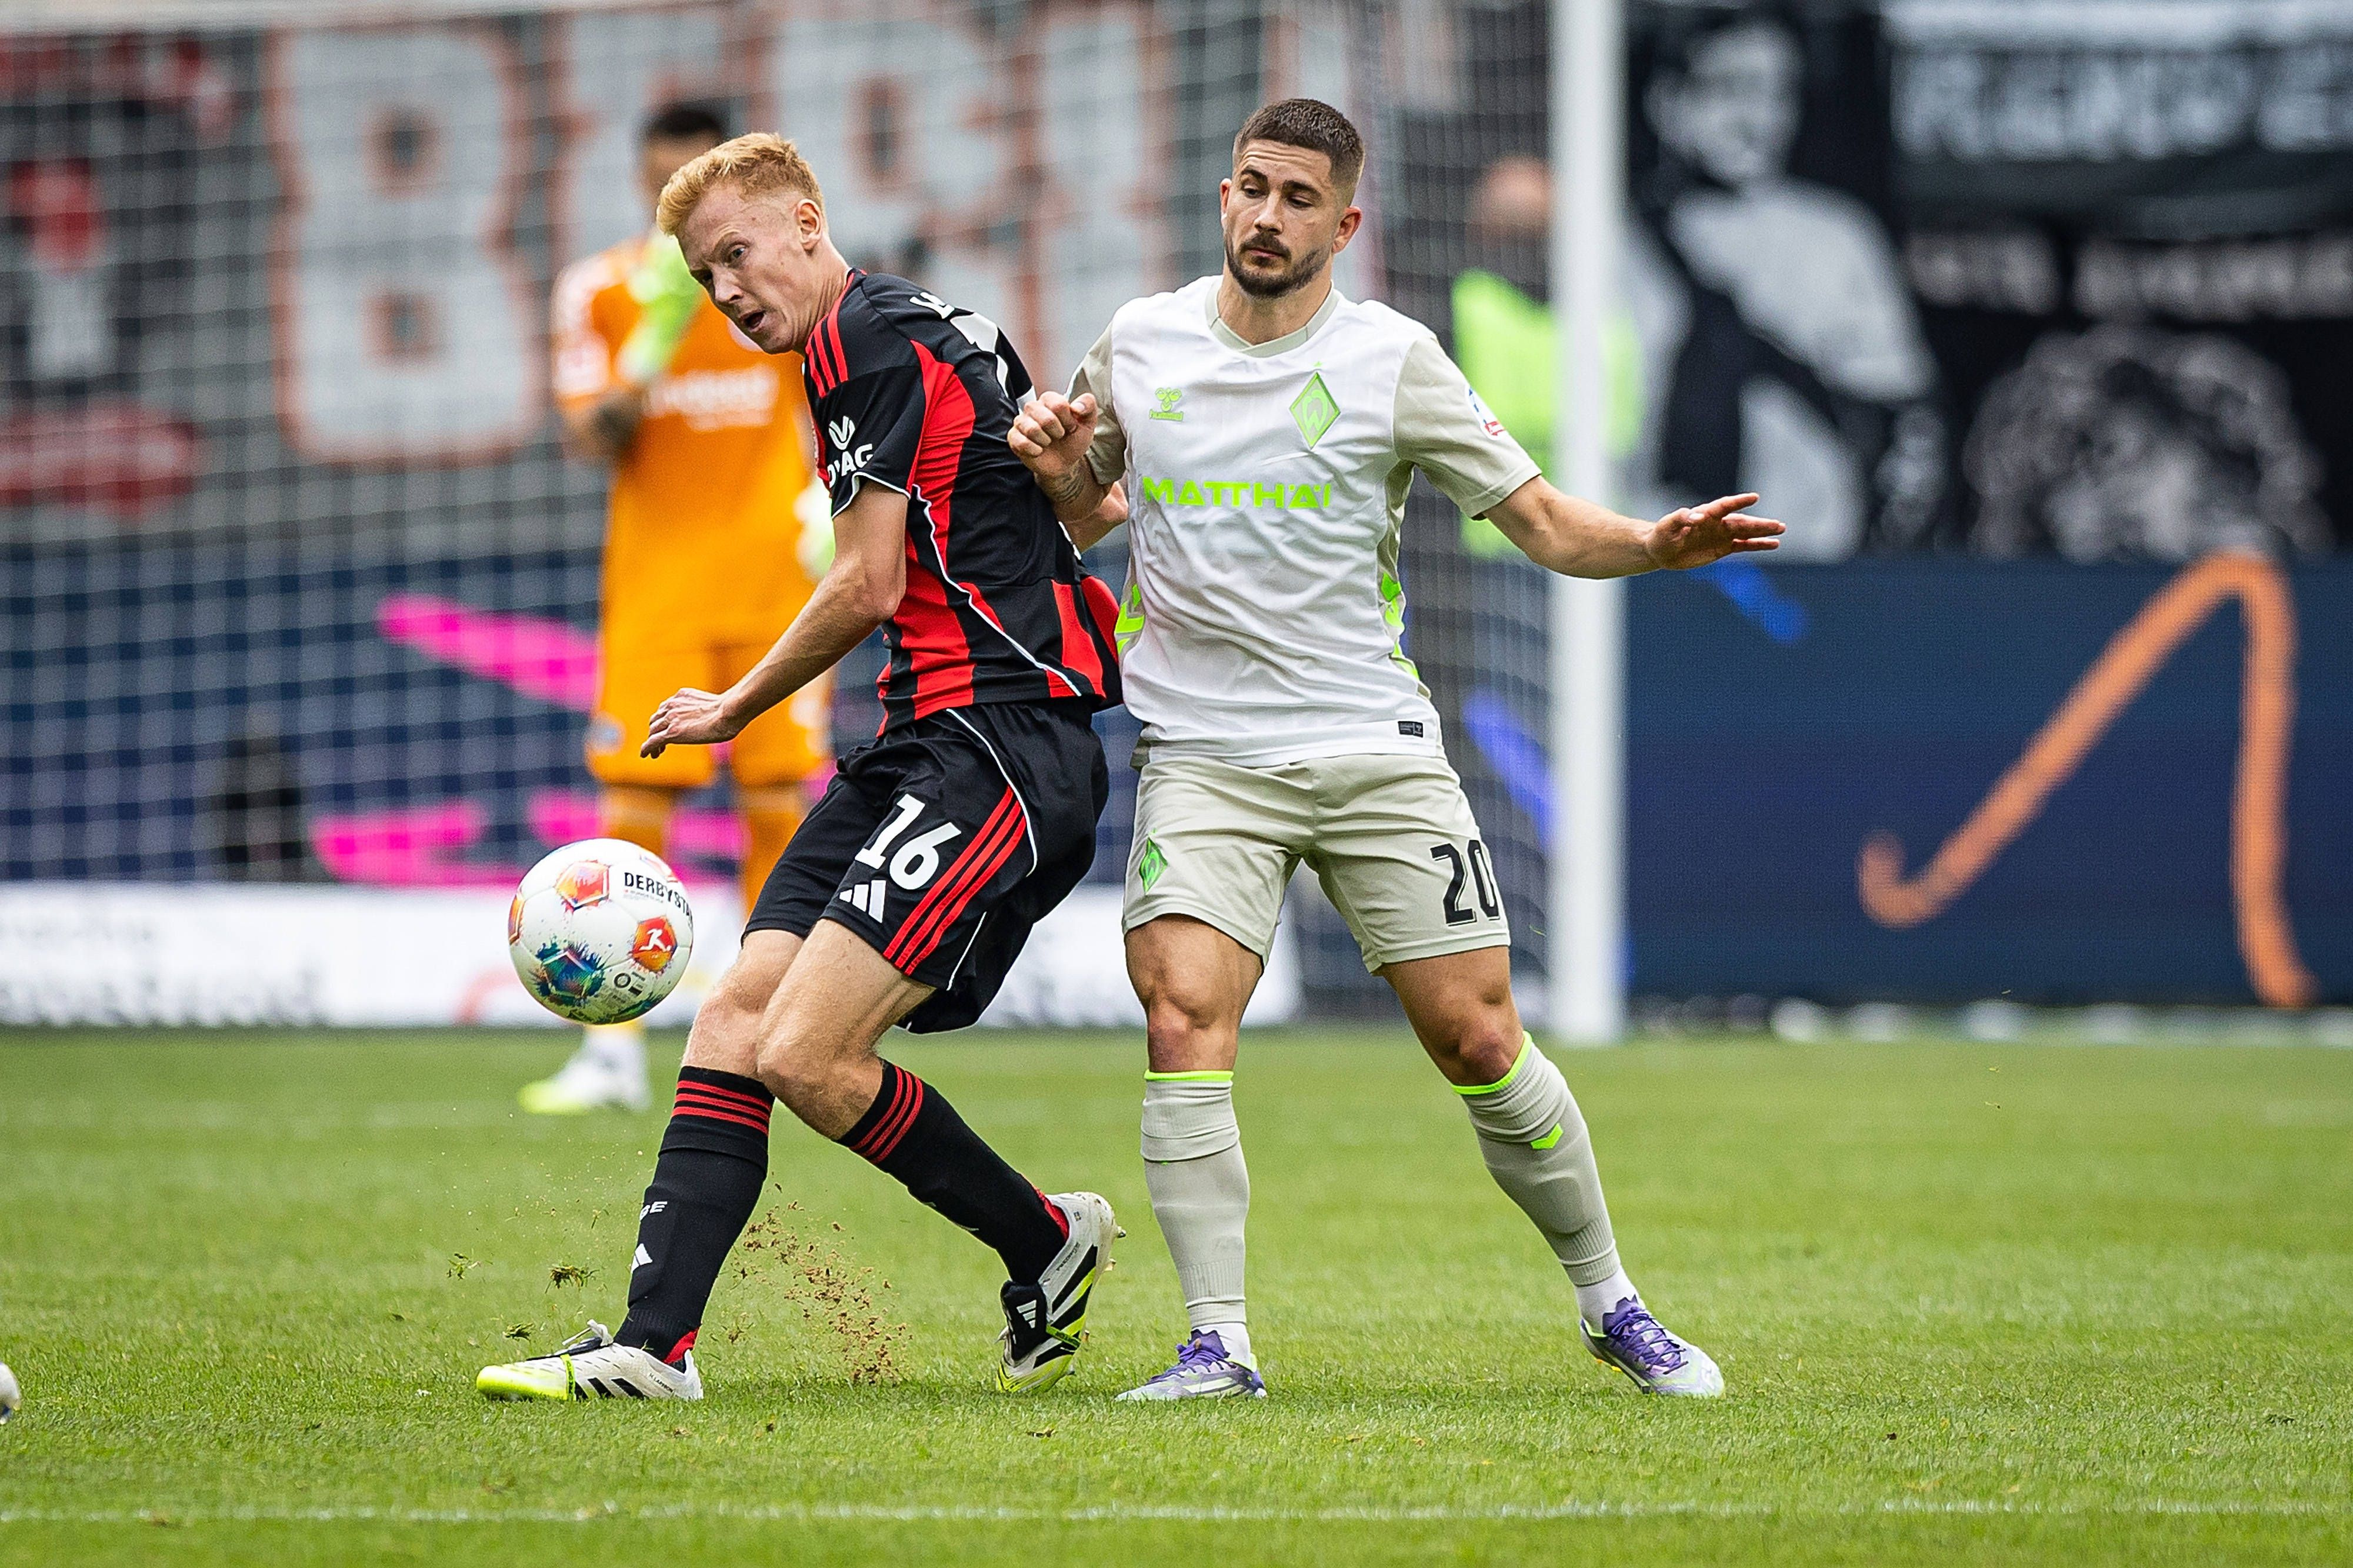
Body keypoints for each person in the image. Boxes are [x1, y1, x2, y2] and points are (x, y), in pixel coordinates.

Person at [1009, 99, 1779, 1401]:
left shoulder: (1391, 360)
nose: (1267, 216)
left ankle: (1612, 1302)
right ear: (1222, 195)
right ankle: (1218, 1343)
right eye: (1251, 188)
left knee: (1478, 1038)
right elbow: (1091, 517)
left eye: (1298, 199)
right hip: (1202, 754)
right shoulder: (1135, 344)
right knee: (1183, 1016)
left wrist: (1654, 544)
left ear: (1344, 223)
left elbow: (1534, 518)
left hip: (1371, 741)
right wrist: (1058, 474)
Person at [478, 133, 1125, 1403]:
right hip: (917, 744)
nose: (724, 289)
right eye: (703, 271)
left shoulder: (866, 339)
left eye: (736, 253)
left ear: (806, 220)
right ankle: (650, 1347)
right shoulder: (902, 328)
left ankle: (1046, 1240)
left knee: (807, 1055)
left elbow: (866, 581)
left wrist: (731, 705)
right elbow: (1081, 512)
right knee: (732, 1017)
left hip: (998, 742)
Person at [527, 102, 833, 1115]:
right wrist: (652, 341)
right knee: (637, 799)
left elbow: (834, 411)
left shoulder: (782, 287)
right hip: (657, 586)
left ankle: (770, 1032)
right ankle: (609, 1050)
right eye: (670, 184)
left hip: (773, 584)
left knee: (777, 801)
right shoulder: (603, 290)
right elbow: (593, 437)